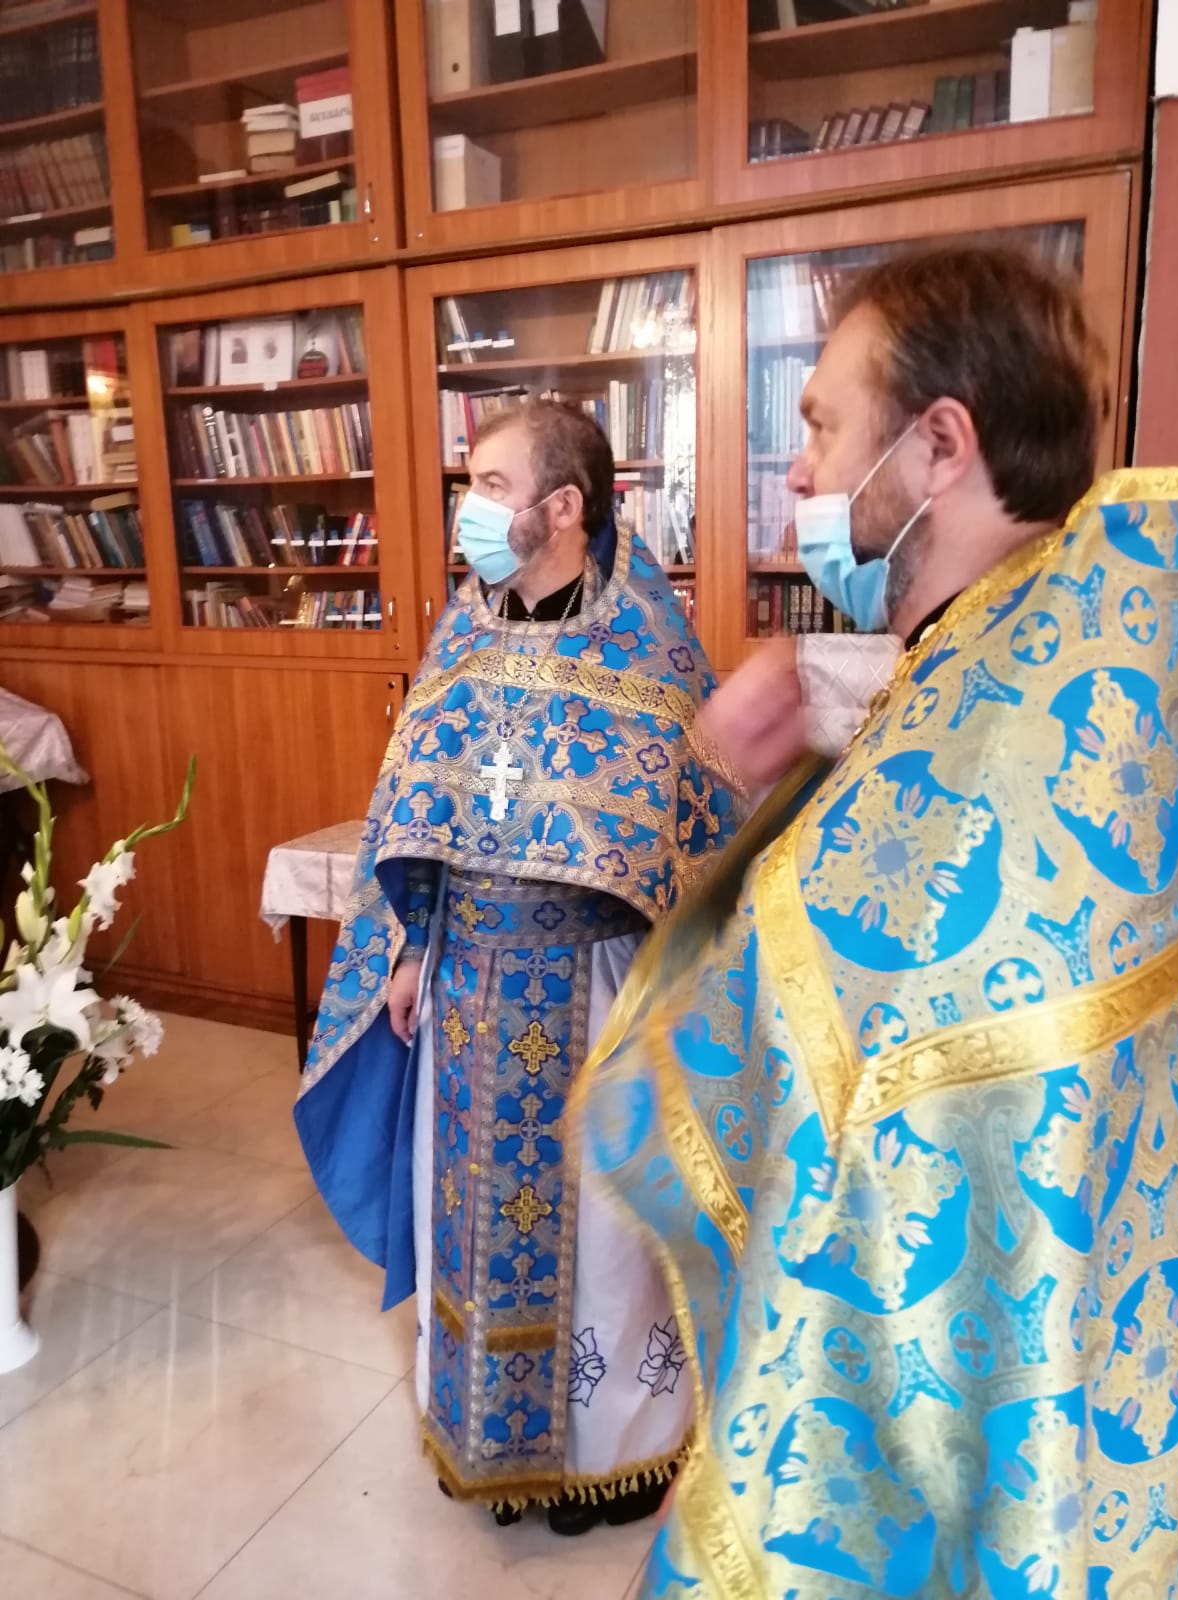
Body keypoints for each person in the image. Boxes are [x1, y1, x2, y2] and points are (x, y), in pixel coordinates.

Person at [576, 245, 1178, 1597]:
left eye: (820, 425)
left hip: (913, 1421)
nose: (798, 474)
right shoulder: (1079, 669)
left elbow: (831, 1071)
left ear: (939, 445)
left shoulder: (989, 747)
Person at [295, 398, 743, 1533]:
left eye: (492, 486)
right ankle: (492, 1441)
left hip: (598, 985)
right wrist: (409, 944)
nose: (471, 509)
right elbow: (417, 808)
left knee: (603, 1238)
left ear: (565, 507)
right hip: (467, 989)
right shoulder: (464, 630)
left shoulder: (649, 642)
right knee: (474, 1224)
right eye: (473, 484)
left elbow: (700, 830)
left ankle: (612, 1455)